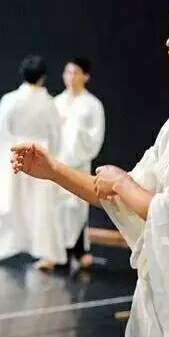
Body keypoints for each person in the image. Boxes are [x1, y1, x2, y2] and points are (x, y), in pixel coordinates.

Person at [12, 0, 169, 337]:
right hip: (159, 295)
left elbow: (165, 205)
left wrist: (123, 184)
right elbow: (121, 193)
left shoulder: (92, 106)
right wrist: (53, 170)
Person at [0, 55, 65, 270]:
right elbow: (56, 135)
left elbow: (0, 132)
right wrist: (53, 158)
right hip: (40, 155)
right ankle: (48, 255)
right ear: (42, 77)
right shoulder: (49, 103)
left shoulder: (10, 100)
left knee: (7, 204)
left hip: (14, 155)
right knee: (41, 206)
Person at [54, 58, 105, 270]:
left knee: (76, 208)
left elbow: (95, 136)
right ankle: (56, 252)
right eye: (68, 72)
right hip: (57, 164)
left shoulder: (92, 105)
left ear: (85, 76)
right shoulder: (57, 102)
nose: (71, 77)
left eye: (75, 73)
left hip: (78, 165)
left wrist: (77, 133)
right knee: (57, 208)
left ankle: (79, 250)